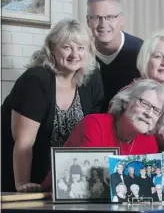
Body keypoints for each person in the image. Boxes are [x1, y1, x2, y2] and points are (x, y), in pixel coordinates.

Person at [1, 18, 104, 192]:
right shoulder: (36, 80)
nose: (74, 54)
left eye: (81, 48)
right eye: (67, 47)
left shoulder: (91, 79)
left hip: (66, 179)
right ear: (52, 48)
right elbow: (23, 143)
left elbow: (92, 134)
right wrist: (22, 185)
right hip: (21, 172)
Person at [41, 79, 164, 190]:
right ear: (126, 102)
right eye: (145, 104)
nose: (149, 113)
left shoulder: (149, 142)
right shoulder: (94, 125)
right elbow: (87, 183)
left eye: (156, 110)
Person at [86, 0, 143, 112]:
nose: (103, 24)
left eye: (110, 17)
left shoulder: (141, 51)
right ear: (88, 21)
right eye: (96, 17)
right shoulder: (80, 54)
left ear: (121, 19)